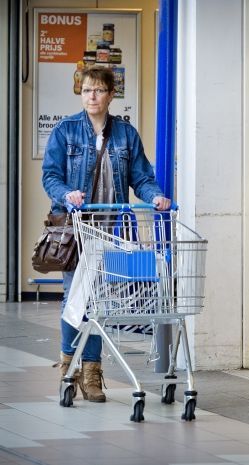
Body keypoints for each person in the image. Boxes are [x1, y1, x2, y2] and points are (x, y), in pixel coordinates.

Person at [42, 66, 171, 403]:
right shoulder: (65, 130)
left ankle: (88, 371)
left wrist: (154, 195)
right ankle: (76, 372)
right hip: (76, 229)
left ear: (112, 94)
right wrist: (66, 194)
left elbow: (141, 177)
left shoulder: (126, 134)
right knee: (77, 297)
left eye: (99, 90)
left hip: (110, 229)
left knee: (95, 299)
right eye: (86, 90)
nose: (92, 97)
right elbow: (50, 176)